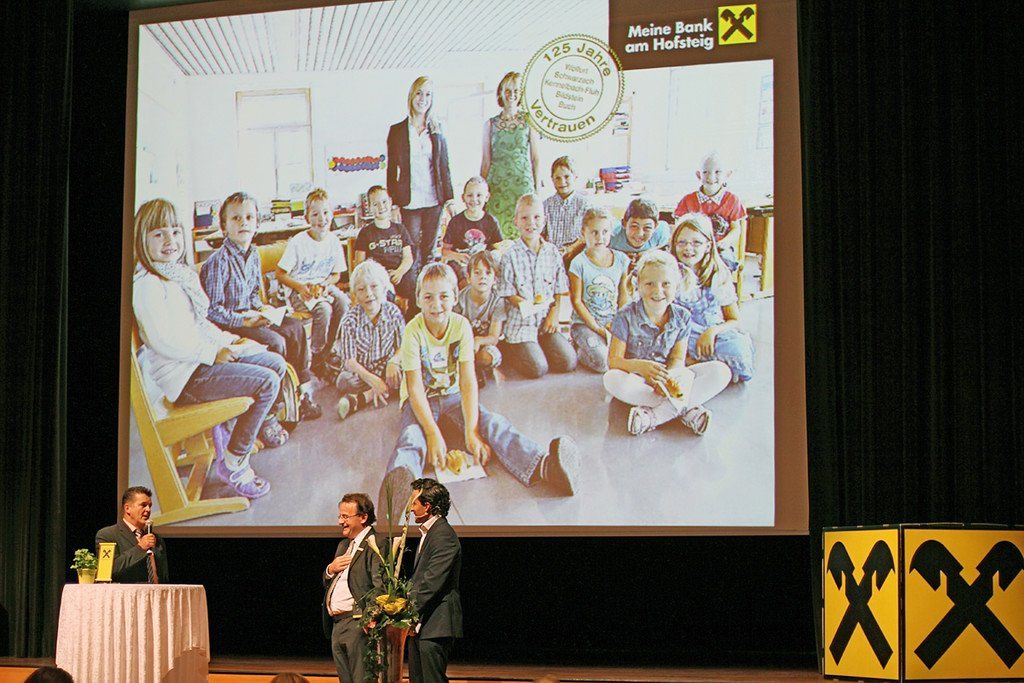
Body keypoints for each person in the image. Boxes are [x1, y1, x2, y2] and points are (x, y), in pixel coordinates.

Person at [378, 263, 580, 516]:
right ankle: (397, 496)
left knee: (494, 422)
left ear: (455, 297)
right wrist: (432, 433)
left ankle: (545, 467)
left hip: (453, 396)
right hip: (421, 400)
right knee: (411, 437)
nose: (436, 304)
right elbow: (415, 388)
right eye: (428, 297)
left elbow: (467, 381)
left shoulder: (462, 326)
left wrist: (472, 431)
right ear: (418, 299)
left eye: (443, 296)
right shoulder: (412, 330)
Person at [133, 198, 284, 498]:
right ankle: (235, 461)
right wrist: (213, 354)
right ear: (142, 239)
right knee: (267, 382)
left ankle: (232, 433)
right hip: (185, 379)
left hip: (198, 366)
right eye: (159, 234)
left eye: (175, 232)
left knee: (274, 362)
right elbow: (165, 341)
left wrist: (232, 342)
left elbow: (199, 325)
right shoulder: (148, 285)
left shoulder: (175, 275)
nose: (170, 241)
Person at [201, 191, 321, 422]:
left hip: (252, 316)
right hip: (230, 324)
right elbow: (212, 311)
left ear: (257, 223)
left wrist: (264, 311)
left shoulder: (254, 254)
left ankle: (300, 392)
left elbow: (254, 294)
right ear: (224, 226)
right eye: (236, 218)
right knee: (276, 341)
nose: (243, 223)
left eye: (249, 217)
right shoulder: (218, 262)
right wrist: (245, 321)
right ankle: (275, 406)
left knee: (295, 328)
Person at [604, 250, 731, 436]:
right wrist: (641, 367)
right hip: (638, 379)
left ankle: (653, 416)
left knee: (721, 371)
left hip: (670, 376)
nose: (658, 291)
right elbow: (614, 361)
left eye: (666, 284)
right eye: (649, 284)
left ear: (676, 286)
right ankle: (686, 410)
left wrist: (670, 380)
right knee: (611, 379)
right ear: (638, 285)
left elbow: (678, 359)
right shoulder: (625, 316)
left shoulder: (682, 316)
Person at [496, 194, 577, 378]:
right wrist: (526, 305)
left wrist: (553, 316)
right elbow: (507, 292)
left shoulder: (552, 252)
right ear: (516, 222)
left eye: (536, 217)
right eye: (524, 218)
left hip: (545, 322)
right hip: (521, 325)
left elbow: (559, 289)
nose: (531, 223)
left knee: (568, 362)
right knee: (538, 369)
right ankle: (509, 348)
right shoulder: (510, 255)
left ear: (544, 220)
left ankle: (538, 346)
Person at [275, 188, 350, 375]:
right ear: (307, 218)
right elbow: (280, 274)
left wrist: (326, 284)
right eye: (315, 214)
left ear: (332, 214)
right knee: (324, 309)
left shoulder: (334, 241)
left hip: (323, 286)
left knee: (343, 302)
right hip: (299, 289)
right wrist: (300, 287)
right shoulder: (298, 242)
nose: (321, 219)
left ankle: (327, 349)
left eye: (325, 212)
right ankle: (317, 355)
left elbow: (336, 275)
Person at [672, 213, 755, 382]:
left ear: (708, 245)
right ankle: (696, 365)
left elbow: (734, 319)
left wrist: (711, 332)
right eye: (682, 242)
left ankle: (699, 365)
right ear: (674, 244)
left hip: (709, 330)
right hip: (679, 332)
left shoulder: (718, 274)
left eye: (696, 243)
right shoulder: (669, 271)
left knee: (737, 350)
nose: (688, 248)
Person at [386, 76, 454, 267]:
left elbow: (444, 166)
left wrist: (450, 199)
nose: (423, 99)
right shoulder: (397, 131)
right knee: (412, 250)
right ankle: (414, 285)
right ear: (411, 96)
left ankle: (429, 283)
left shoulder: (437, 129)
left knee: (430, 251)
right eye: (419, 93)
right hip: (410, 201)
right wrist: (394, 204)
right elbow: (391, 171)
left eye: (428, 94)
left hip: (434, 199)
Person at [333, 260, 406, 420]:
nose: (368, 294)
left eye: (374, 286)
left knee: (410, 369)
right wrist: (372, 379)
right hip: (362, 372)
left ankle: (365, 397)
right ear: (355, 294)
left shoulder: (393, 312)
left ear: (384, 288)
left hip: (386, 366)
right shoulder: (349, 320)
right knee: (344, 381)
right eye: (361, 289)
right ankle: (382, 388)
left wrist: (393, 361)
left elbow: (403, 345)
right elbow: (349, 361)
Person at [322, 492, 383, 683]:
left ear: (363, 517)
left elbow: (380, 586)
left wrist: (369, 617)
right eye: (340, 516)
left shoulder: (377, 543)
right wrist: (330, 570)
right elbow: (332, 581)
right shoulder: (343, 545)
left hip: (358, 624)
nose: (340, 521)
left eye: (345, 517)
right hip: (338, 624)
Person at [407, 478, 460, 683]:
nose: (411, 508)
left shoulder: (443, 534)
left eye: (414, 503)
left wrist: (407, 612)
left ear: (427, 506)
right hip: (423, 624)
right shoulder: (430, 533)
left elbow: (432, 581)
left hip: (436, 624)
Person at [567, 208, 629, 373]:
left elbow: (623, 295)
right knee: (603, 362)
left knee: (630, 354)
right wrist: (597, 328)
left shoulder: (621, 259)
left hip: (612, 322)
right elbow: (576, 301)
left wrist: (620, 323)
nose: (600, 237)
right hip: (585, 324)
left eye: (605, 232)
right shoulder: (578, 263)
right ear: (584, 232)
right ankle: (578, 347)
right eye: (594, 232)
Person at [481, 71, 541, 239]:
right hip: (497, 186)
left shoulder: (529, 121)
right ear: (501, 93)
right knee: (497, 232)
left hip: (522, 185)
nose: (511, 95)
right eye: (508, 90)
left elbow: (535, 158)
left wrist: (537, 190)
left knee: (524, 227)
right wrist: (481, 191)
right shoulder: (490, 124)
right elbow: (485, 161)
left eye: (516, 91)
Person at [673, 152, 747, 270]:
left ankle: (719, 281)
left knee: (725, 262)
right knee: (676, 263)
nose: (711, 177)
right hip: (693, 246)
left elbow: (736, 228)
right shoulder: (688, 200)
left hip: (719, 247)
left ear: (727, 175)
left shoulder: (732, 199)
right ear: (698, 175)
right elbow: (678, 227)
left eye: (717, 172)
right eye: (705, 172)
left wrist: (725, 242)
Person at [352, 185, 417, 309]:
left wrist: (399, 272)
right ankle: (392, 313)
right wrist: (381, 276)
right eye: (375, 204)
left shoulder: (400, 229)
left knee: (416, 291)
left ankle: (409, 319)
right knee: (383, 294)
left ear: (390, 202)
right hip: (378, 278)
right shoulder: (365, 233)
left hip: (400, 274)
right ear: (369, 207)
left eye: (384, 202)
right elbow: (360, 264)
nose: (381, 207)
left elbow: (408, 258)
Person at [454, 250, 507, 386]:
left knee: (487, 357)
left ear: (495, 279)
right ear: (468, 277)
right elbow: (454, 329)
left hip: (483, 345)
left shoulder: (497, 302)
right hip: (462, 343)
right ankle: (464, 370)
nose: (482, 277)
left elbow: (494, 337)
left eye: (488, 273)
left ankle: (477, 369)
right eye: (477, 272)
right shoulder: (460, 299)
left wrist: (477, 341)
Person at [95, 486, 169, 583]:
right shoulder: (107, 535)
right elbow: (108, 570)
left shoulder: (156, 538)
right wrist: (140, 548)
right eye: (143, 505)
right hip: (125, 591)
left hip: (157, 591)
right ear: (127, 508)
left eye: (150, 506)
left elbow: (163, 574)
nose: (148, 510)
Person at [440, 176, 503, 286]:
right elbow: (444, 251)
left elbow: (498, 248)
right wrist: (456, 256)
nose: (474, 199)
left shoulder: (491, 221)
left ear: (487, 197)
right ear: (463, 197)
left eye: (479, 195)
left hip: (483, 263)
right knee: (466, 278)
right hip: (461, 263)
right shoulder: (456, 222)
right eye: (470, 195)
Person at [542, 156, 590, 265]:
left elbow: (587, 234)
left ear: (575, 177)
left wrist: (570, 249)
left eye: (566, 177)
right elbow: (541, 233)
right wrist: (548, 249)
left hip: (577, 255)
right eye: (557, 178)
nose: (562, 182)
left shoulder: (584, 204)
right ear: (552, 179)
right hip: (551, 256)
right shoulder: (545, 205)